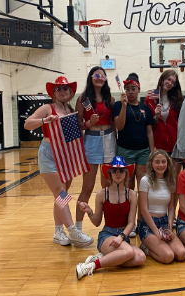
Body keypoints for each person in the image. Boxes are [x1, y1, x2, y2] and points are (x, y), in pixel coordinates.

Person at [24, 76, 93, 247]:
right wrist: (44, 120)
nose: (63, 91)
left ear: (70, 93)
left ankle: (58, 231)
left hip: (66, 155)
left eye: (66, 89)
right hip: (49, 154)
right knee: (61, 193)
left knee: (60, 195)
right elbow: (27, 124)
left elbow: (75, 130)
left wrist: (87, 124)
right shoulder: (47, 108)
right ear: (53, 92)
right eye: (59, 89)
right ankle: (73, 231)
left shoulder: (70, 109)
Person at [75, 156, 146, 279]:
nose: (118, 173)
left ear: (126, 173)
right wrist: (89, 212)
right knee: (129, 252)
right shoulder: (102, 194)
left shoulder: (132, 194)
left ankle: (104, 258)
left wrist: (121, 237)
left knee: (141, 257)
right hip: (107, 235)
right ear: (110, 173)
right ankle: (90, 266)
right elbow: (97, 222)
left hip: (123, 237)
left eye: (121, 170)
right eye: (114, 170)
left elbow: (131, 223)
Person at [75, 66, 116, 233]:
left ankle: (110, 225)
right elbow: (77, 125)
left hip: (109, 138)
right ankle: (77, 228)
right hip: (91, 139)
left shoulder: (110, 99)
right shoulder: (83, 99)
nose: (100, 78)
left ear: (106, 78)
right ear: (91, 77)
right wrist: (88, 124)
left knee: (107, 185)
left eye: (102, 75)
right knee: (88, 186)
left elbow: (114, 123)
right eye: (96, 75)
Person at [138, 150, 185, 263]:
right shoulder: (145, 181)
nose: (161, 165)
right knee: (168, 256)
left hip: (164, 222)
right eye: (157, 162)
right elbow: (143, 210)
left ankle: (158, 245)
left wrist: (169, 228)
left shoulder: (171, 181)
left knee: (181, 254)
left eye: (163, 162)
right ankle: (146, 248)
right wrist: (156, 232)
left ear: (168, 163)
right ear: (151, 164)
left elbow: (171, 208)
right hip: (149, 225)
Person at [113, 73, 154, 190]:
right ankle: (129, 208)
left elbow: (150, 132)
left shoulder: (145, 108)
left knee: (143, 184)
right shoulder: (118, 106)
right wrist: (124, 106)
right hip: (125, 150)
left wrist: (151, 152)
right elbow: (119, 127)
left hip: (143, 151)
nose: (130, 92)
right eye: (127, 89)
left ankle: (142, 208)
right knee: (128, 184)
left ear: (139, 89)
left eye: (133, 89)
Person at [145, 69, 184, 175]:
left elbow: (181, 122)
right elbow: (147, 124)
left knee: (174, 178)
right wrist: (155, 117)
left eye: (173, 82)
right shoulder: (150, 99)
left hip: (175, 144)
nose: (170, 83)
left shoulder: (177, 99)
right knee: (161, 177)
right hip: (159, 144)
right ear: (162, 79)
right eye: (168, 79)